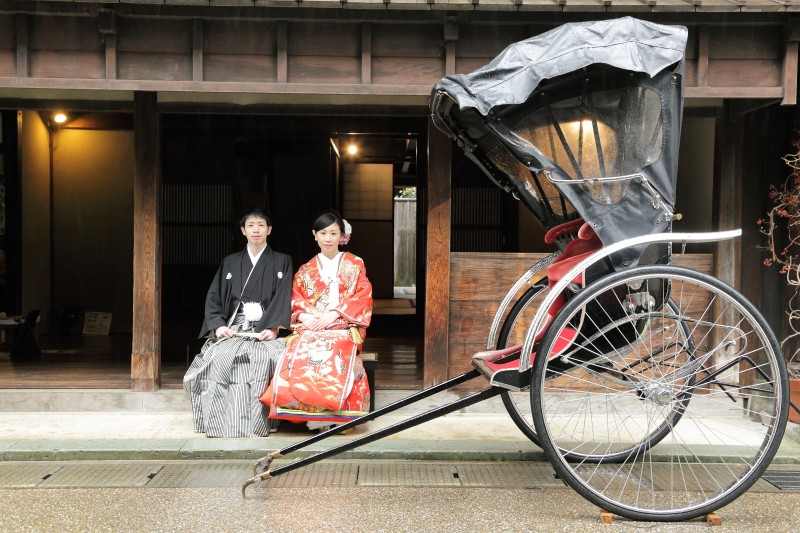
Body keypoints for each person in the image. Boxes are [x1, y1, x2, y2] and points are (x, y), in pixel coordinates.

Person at [183, 207, 292, 438]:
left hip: (265, 330)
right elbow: (214, 296)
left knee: (265, 359)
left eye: (261, 225)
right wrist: (218, 325)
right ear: (243, 230)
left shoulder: (282, 261)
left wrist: (274, 328)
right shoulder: (230, 262)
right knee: (217, 357)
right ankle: (219, 421)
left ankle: (262, 421)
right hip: (234, 328)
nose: (256, 230)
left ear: (269, 230)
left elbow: (284, 296)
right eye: (251, 225)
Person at [260, 210, 373, 429]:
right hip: (312, 326)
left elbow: (363, 295)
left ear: (342, 236)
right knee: (298, 351)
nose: (328, 238)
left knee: (336, 353)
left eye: (333, 233)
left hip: (343, 326)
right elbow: (294, 299)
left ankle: (338, 416)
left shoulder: (354, 263)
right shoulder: (306, 270)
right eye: (323, 233)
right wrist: (303, 316)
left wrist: (335, 314)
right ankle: (308, 414)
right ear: (315, 235)